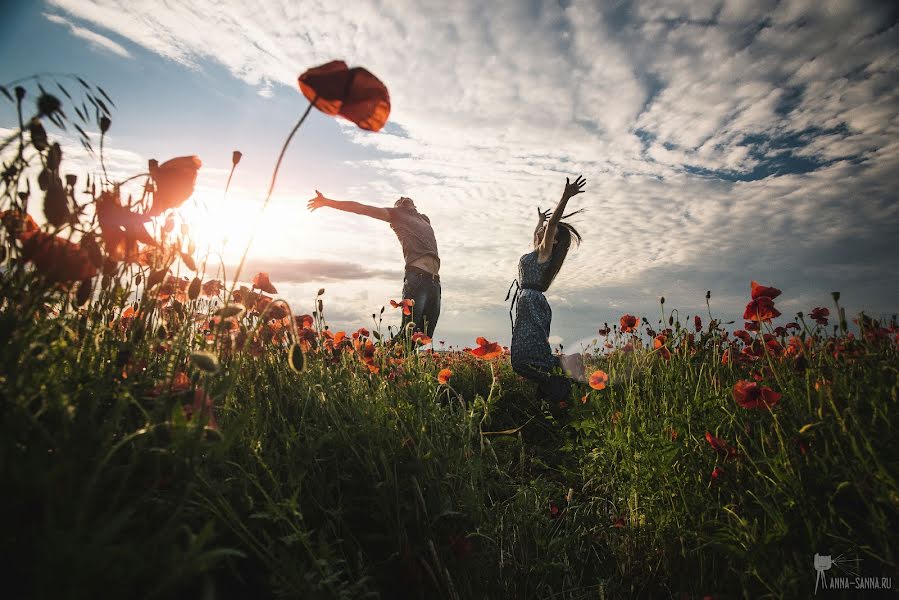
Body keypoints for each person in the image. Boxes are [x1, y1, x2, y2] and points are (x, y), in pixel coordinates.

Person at [307, 191, 441, 338]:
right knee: (408, 334)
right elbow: (361, 208)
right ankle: (382, 358)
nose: (402, 198)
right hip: (417, 277)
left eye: (404, 197)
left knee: (425, 335)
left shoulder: (424, 219)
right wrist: (327, 201)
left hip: (434, 281)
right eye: (398, 201)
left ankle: (394, 358)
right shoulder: (396, 215)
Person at [509, 175, 587, 407]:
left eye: (545, 231)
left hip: (532, 302)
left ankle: (560, 380)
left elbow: (552, 226)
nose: (541, 232)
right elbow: (538, 234)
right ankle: (555, 381)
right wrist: (539, 220)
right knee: (524, 354)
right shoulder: (537, 252)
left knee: (523, 358)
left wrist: (565, 197)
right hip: (527, 301)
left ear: (552, 241)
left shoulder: (545, 254)